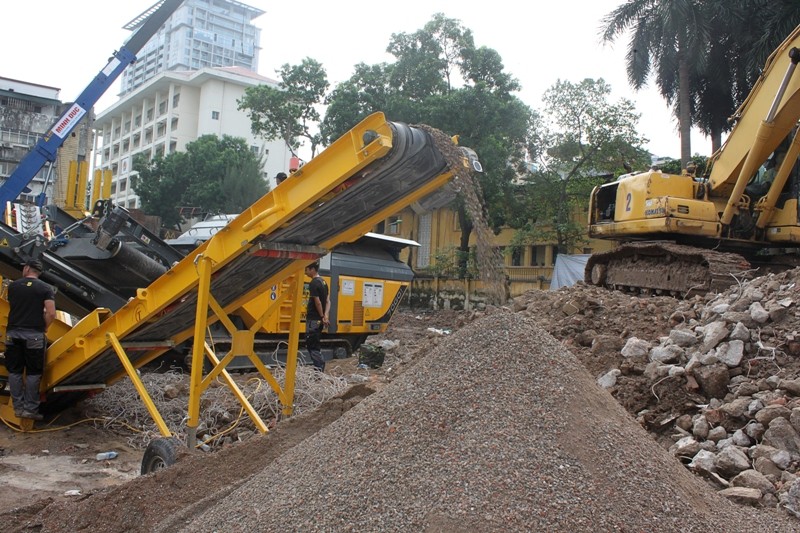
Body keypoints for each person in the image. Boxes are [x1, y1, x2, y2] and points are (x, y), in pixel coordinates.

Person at [6, 259, 56, 420]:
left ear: (27, 269)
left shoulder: (13, 286)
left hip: (13, 334)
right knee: (33, 374)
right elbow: (51, 313)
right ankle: (30, 410)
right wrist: (45, 327)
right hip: (34, 335)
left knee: (15, 371)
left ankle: (18, 408)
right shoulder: (45, 288)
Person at [304, 261, 330, 372]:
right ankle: (318, 367)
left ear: (312, 269)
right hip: (319, 319)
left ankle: (319, 368)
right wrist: (325, 316)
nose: (305, 272)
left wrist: (321, 315)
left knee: (311, 344)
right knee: (315, 342)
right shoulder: (324, 282)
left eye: (306, 269)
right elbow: (328, 301)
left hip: (313, 319)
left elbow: (317, 302)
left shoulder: (314, 283)